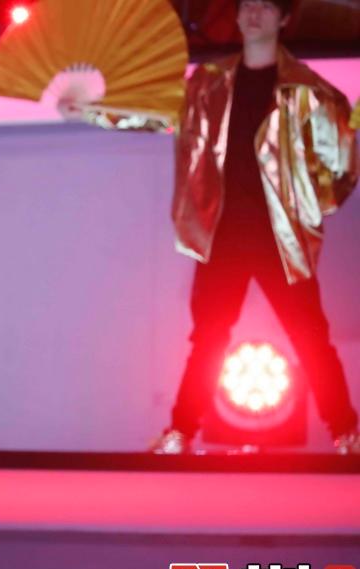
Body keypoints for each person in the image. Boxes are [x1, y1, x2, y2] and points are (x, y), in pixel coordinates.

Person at [146, 0, 359, 454]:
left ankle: (347, 434)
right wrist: (93, 108)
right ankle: (180, 432)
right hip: (221, 232)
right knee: (207, 338)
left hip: (280, 237)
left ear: (284, 18)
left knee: (310, 337)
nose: (254, 13)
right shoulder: (207, 82)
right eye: (247, 4)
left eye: (266, 5)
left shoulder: (310, 90)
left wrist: (306, 207)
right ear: (238, 15)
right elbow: (158, 113)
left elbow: (342, 167)